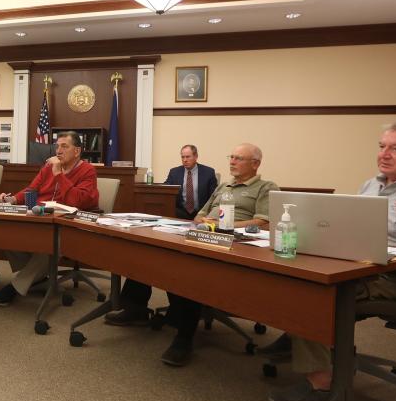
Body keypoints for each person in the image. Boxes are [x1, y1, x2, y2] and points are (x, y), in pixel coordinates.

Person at [266, 120, 396, 401]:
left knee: (307, 292)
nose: (384, 154)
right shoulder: (371, 184)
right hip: (355, 267)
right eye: (382, 146)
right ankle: (304, 336)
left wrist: (359, 253)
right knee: (285, 272)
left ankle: (322, 382)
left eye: (395, 148)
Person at [104, 143, 278, 366]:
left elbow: (264, 222)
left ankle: (184, 336)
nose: (232, 161)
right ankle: (135, 306)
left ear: (255, 163)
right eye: (231, 157)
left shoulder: (265, 187)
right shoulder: (224, 186)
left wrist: (226, 225)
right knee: (151, 249)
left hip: (234, 243)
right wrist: (205, 221)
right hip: (204, 234)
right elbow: (201, 214)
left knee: (185, 269)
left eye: (239, 158)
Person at [0, 131, 100, 306]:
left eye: (64, 146)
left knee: (50, 243)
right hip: (41, 218)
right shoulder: (47, 168)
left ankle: (17, 286)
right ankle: (37, 275)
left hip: (69, 225)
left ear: (77, 151)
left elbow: (78, 200)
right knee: (6, 231)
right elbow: (31, 190)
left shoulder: (88, 170)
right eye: (57, 146)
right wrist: (11, 200)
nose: (58, 150)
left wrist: (59, 175)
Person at [163, 144, 218, 219]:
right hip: (180, 212)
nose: (185, 160)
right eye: (183, 157)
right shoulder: (174, 172)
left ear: (196, 157)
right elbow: (166, 190)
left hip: (201, 213)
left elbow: (214, 197)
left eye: (188, 157)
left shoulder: (208, 172)